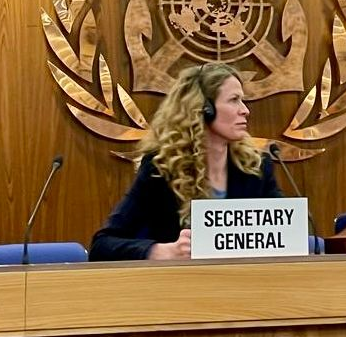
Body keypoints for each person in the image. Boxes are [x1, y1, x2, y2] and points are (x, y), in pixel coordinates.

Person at [91, 63, 281, 261]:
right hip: (182, 279)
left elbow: (286, 233)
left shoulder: (257, 167)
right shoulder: (160, 169)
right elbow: (102, 245)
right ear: (204, 109)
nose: (245, 110)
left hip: (246, 278)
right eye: (234, 100)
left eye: (242, 100)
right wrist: (160, 251)